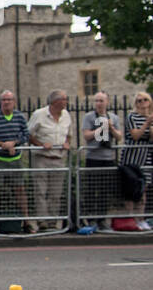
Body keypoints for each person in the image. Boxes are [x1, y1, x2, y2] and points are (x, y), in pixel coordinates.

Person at [0, 90, 33, 233]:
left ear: (14, 101)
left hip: (15, 158)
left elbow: (26, 134)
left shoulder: (19, 117)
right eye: (4, 100)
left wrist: (14, 143)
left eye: (9, 100)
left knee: (20, 189)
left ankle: (27, 222)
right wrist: (0, 144)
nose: (6, 102)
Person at [27, 90, 72, 230]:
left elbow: (69, 134)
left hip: (58, 158)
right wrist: (40, 145)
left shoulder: (66, 115)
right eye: (63, 99)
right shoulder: (39, 115)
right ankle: (42, 221)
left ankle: (53, 220)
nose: (66, 102)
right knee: (40, 191)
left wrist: (66, 144)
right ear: (55, 101)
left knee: (56, 192)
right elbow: (28, 134)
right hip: (42, 157)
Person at [81, 91, 121, 231]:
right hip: (93, 158)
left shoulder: (113, 117)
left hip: (108, 158)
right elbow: (86, 135)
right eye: (96, 101)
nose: (99, 103)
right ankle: (91, 218)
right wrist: (100, 129)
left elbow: (119, 136)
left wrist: (110, 127)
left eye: (101, 101)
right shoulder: (89, 117)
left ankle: (102, 219)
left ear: (107, 102)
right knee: (91, 189)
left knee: (105, 191)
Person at [119, 91, 151, 231]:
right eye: (139, 100)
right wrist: (147, 123)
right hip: (131, 159)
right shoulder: (131, 117)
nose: (142, 102)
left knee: (143, 189)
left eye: (145, 100)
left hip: (146, 158)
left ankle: (141, 218)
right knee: (132, 191)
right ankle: (130, 219)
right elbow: (136, 135)